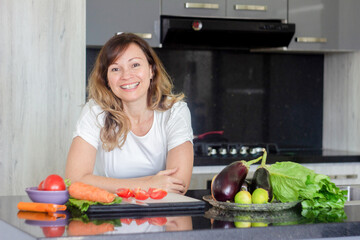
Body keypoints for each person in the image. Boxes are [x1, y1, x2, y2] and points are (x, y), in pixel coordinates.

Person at [65, 33, 194, 194]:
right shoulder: (95, 111)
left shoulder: (175, 112)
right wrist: (148, 184)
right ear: (107, 79)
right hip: (107, 215)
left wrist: (112, 185)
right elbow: (74, 180)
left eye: (135, 65)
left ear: (151, 70)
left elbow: (177, 186)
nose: (126, 75)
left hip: (160, 217)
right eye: (115, 69)